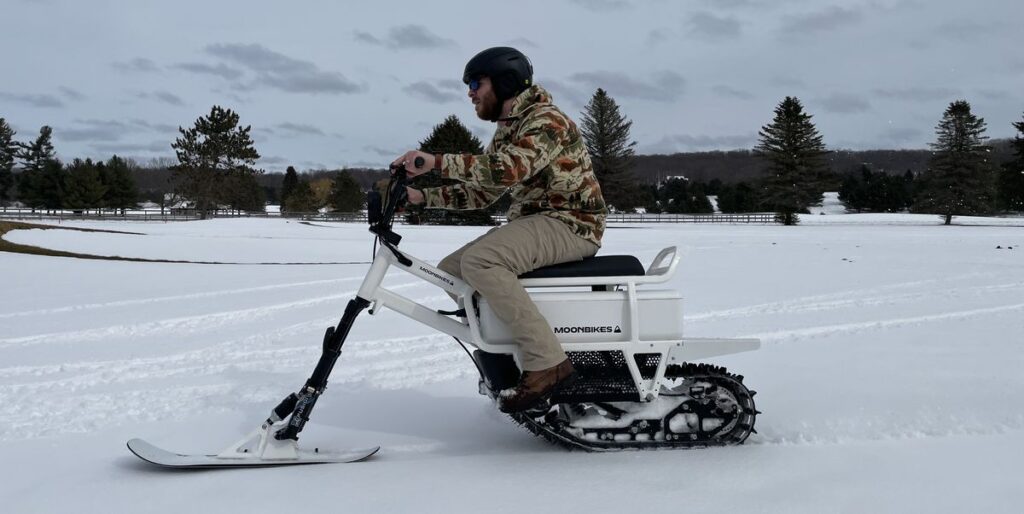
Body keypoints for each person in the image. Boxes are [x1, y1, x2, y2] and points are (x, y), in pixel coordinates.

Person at [392, 47, 607, 413]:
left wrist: (436, 161)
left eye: (476, 83)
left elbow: (506, 170)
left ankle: (547, 362)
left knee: (482, 261)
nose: (470, 93)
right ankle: (501, 352)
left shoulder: (545, 120)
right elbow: (482, 193)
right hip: (538, 222)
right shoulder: (510, 128)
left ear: (504, 82)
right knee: (452, 269)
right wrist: (419, 197)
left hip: (572, 223)